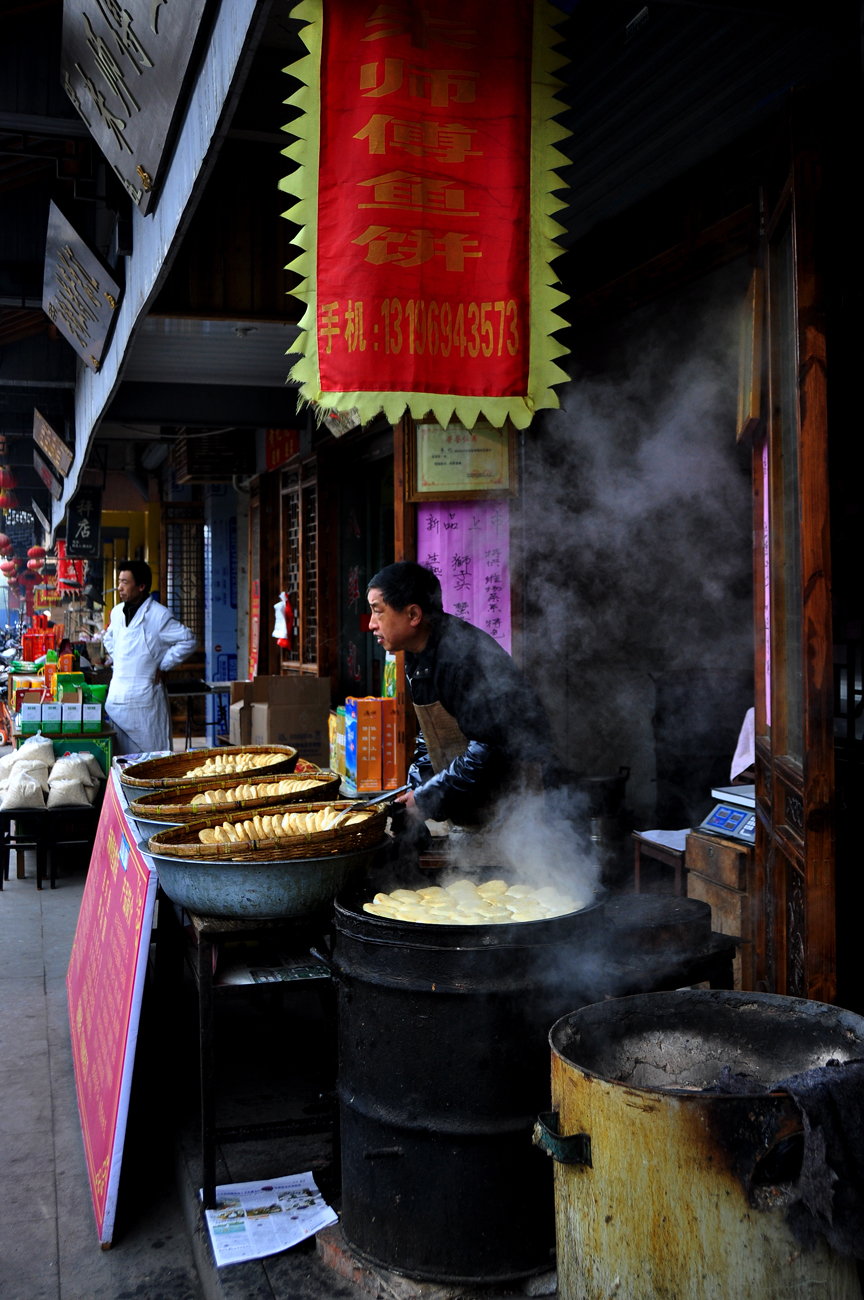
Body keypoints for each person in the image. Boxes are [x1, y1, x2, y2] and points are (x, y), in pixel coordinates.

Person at [367, 561, 554, 828]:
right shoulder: (417, 653)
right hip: (470, 802)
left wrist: (427, 798)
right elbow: (430, 737)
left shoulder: (461, 657)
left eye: (378, 612)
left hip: (512, 804)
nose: (372, 624)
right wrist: (416, 789)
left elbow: (488, 748)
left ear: (413, 615)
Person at [102, 560, 197, 755]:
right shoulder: (117, 612)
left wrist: (163, 664)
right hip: (116, 699)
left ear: (141, 586)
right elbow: (108, 638)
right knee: (120, 761)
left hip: (144, 702)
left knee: (150, 759)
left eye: (125, 582)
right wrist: (120, 660)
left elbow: (188, 640)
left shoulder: (158, 615)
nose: (119, 587)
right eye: (119, 581)